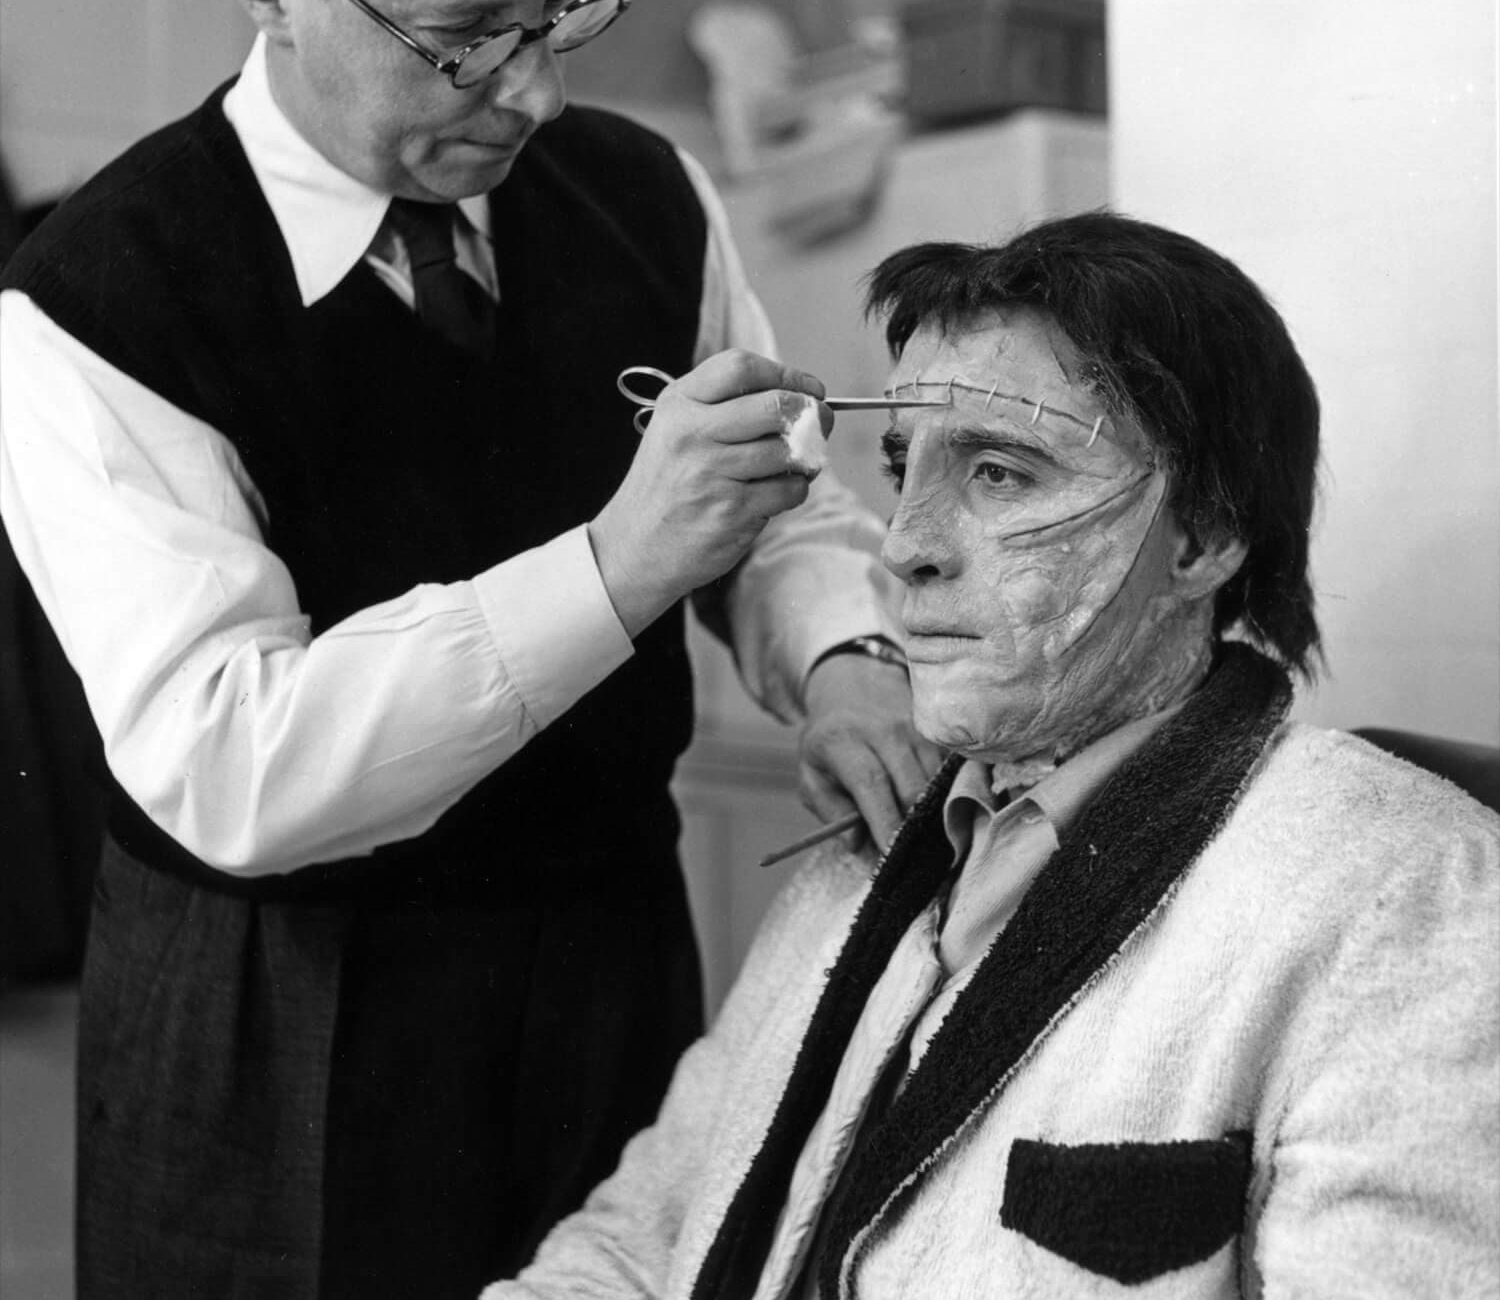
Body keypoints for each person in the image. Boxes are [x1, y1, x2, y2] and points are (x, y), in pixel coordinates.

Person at [0, 0, 942, 1295]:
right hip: (287, 1007)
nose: (535, 97)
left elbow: (767, 497)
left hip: (610, 957)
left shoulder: (646, 192)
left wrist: (842, 660)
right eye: (465, 37)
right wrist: (614, 567)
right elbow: (234, 760)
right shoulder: (95, 301)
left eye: (566, 5)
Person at [482, 213, 1500, 1300]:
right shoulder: (861, 855)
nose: (905, 543)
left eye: (1001, 472)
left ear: (1201, 537)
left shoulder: (1401, 893)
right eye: (899, 467)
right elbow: (641, 1242)